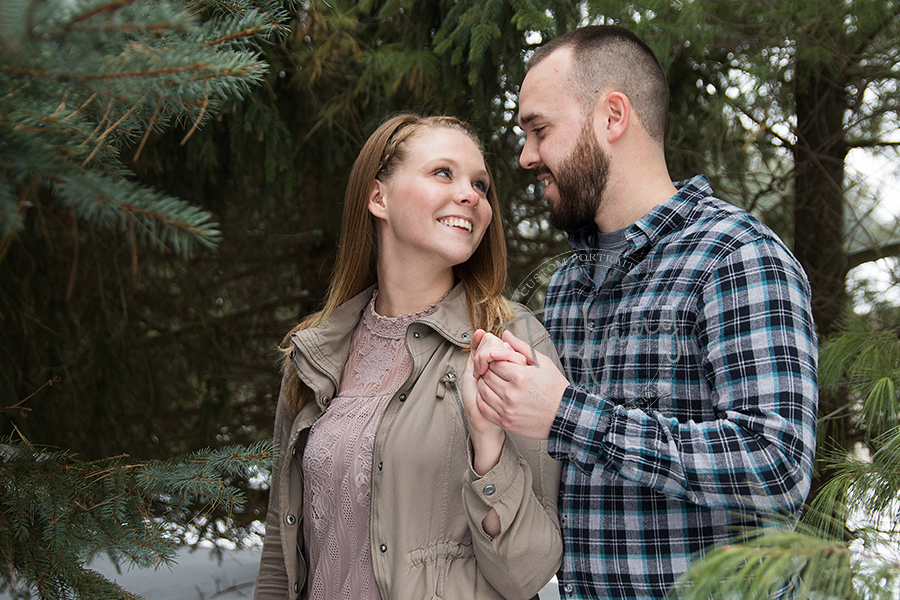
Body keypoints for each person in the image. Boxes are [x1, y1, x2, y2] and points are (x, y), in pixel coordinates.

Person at [470, 26, 819, 599]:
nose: (526, 156)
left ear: (613, 116)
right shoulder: (568, 284)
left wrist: (567, 414)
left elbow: (776, 468)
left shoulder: (736, 256)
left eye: (540, 130)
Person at [253, 113, 563, 600]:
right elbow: (280, 548)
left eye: (480, 185)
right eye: (443, 173)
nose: (471, 195)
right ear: (378, 198)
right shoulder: (317, 353)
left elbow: (530, 572)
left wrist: (489, 453)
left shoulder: (510, 342)